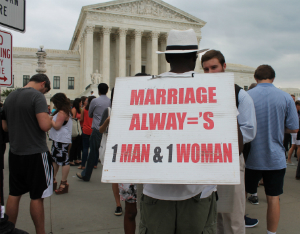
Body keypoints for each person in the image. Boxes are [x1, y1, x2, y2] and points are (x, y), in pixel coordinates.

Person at [138, 29, 217, 234]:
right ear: (195, 57)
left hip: (155, 191)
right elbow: (237, 145)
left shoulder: (144, 89)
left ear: (168, 58)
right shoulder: (213, 89)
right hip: (198, 192)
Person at [201, 49, 258, 233]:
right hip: (206, 160)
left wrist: (222, 136)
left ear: (224, 67)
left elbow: (249, 131)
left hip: (230, 158)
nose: (210, 73)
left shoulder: (241, 96)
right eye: (206, 69)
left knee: (232, 216)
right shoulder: (201, 93)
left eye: (214, 67)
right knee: (212, 214)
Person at [245, 65, 299, 234]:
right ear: (273, 78)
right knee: (273, 198)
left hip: (251, 155)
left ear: (255, 78)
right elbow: (294, 128)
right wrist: (277, 128)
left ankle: (238, 225)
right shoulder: (285, 97)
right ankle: (271, 233)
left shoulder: (247, 96)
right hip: (275, 156)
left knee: (242, 195)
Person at [1, 74, 52, 234]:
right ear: (43, 84)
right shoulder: (37, 96)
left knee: (14, 193)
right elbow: (44, 126)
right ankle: (40, 232)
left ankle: (8, 230)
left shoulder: (10, 97)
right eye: (45, 90)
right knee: (36, 196)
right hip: (36, 153)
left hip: (16, 153)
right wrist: (50, 120)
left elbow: (5, 127)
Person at [76, 83, 110, 181]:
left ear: (98, 91)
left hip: (96, 129)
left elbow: (90, 114)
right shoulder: (110, 101)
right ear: (107, 91)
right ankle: (109, 175)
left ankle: (86, 175)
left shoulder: (95, 101)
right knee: (107, 152)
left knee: (93, 152)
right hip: (107, 130)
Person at [49, 93, 72, 195]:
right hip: (59, 139)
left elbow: (57, 126)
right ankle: (54, 180)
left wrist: (50, 121)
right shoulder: (64, 111)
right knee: (55, 159)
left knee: (63, 161)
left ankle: (63, 182)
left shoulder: (62, 112)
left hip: (61, 139)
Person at [79, 96, 96, 169]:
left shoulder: (84, 109)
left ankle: (83, 165)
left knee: (85, 148)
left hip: (85, 129)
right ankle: (94, 164)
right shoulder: (95, 109)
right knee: (94, 148)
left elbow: (81, 119)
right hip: (93, 129)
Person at [69, 98, 82, 166]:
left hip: (78, 128)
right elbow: (73, 119)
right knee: (74, 146)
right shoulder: (74, 109)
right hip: (75, 129)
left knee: (77, 145)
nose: (81, 104)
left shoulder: (78, 109)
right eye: (80, 102)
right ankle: (71, 159)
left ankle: (75, 159)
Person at [286, 101, 300, 165]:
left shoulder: (295, 112)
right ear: (297, 105)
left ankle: (289, 159)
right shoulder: (295, 112)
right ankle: (298, 161)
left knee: (294, 146)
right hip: (295, 131)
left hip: (294, 130)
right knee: (298, 146)